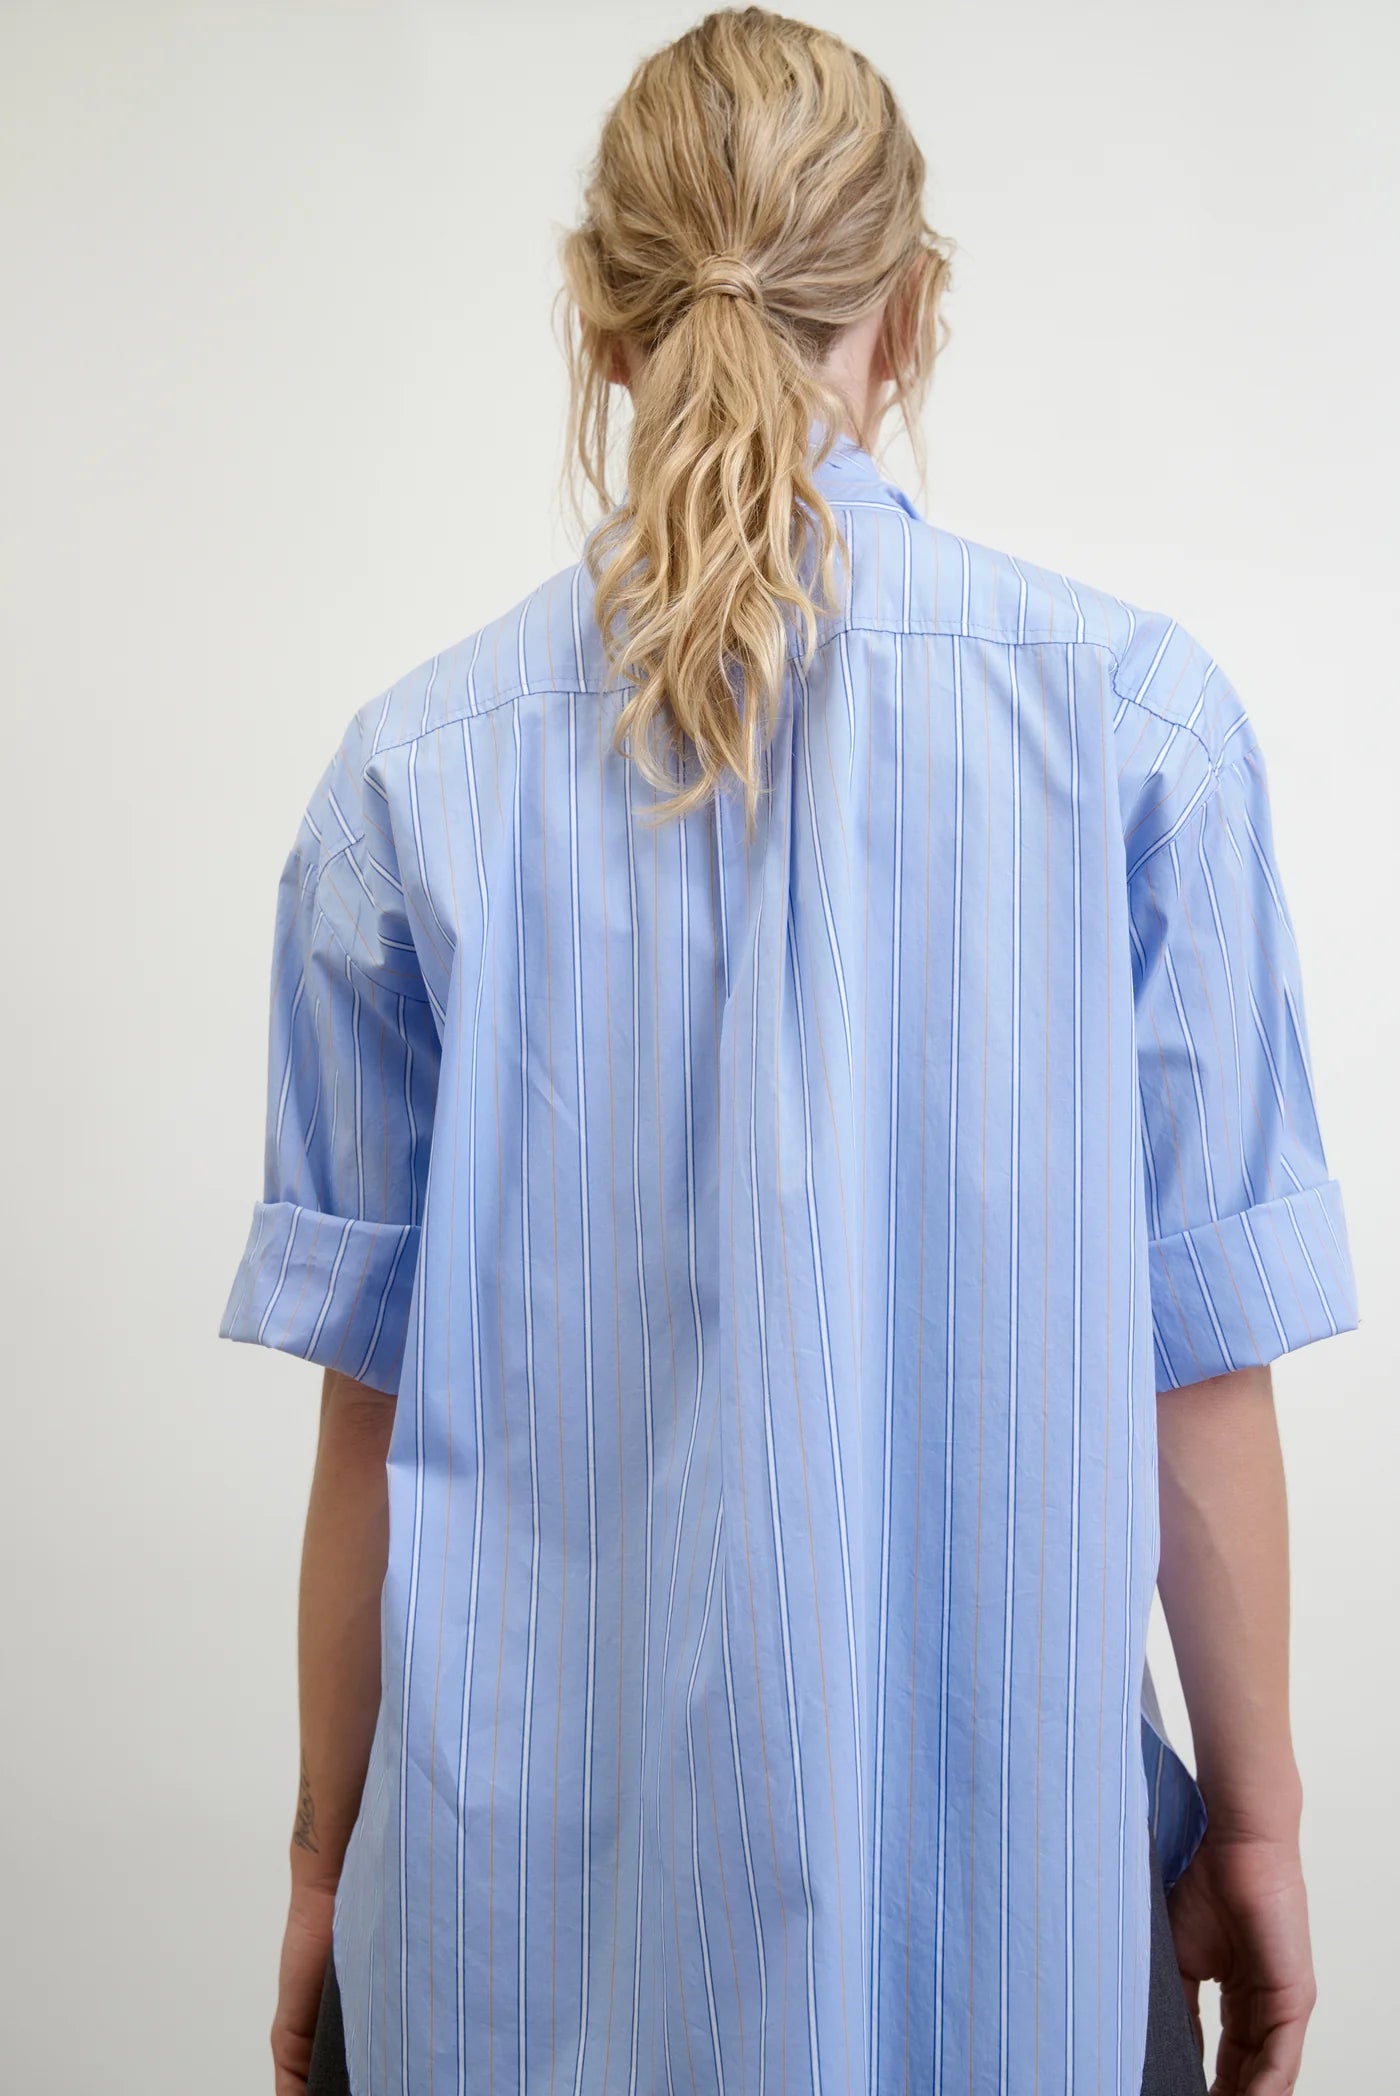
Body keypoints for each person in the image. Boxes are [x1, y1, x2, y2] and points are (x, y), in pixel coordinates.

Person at [217, 9, 1360, 2093]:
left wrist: (318, 1859)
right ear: (908, 317)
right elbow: (1200, 1375)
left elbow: (367, 1431)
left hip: (498, 1964)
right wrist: (1260, 1829)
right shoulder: (1141, 735)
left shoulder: (407, 784)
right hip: (1010, 1940)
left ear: (602, 317)